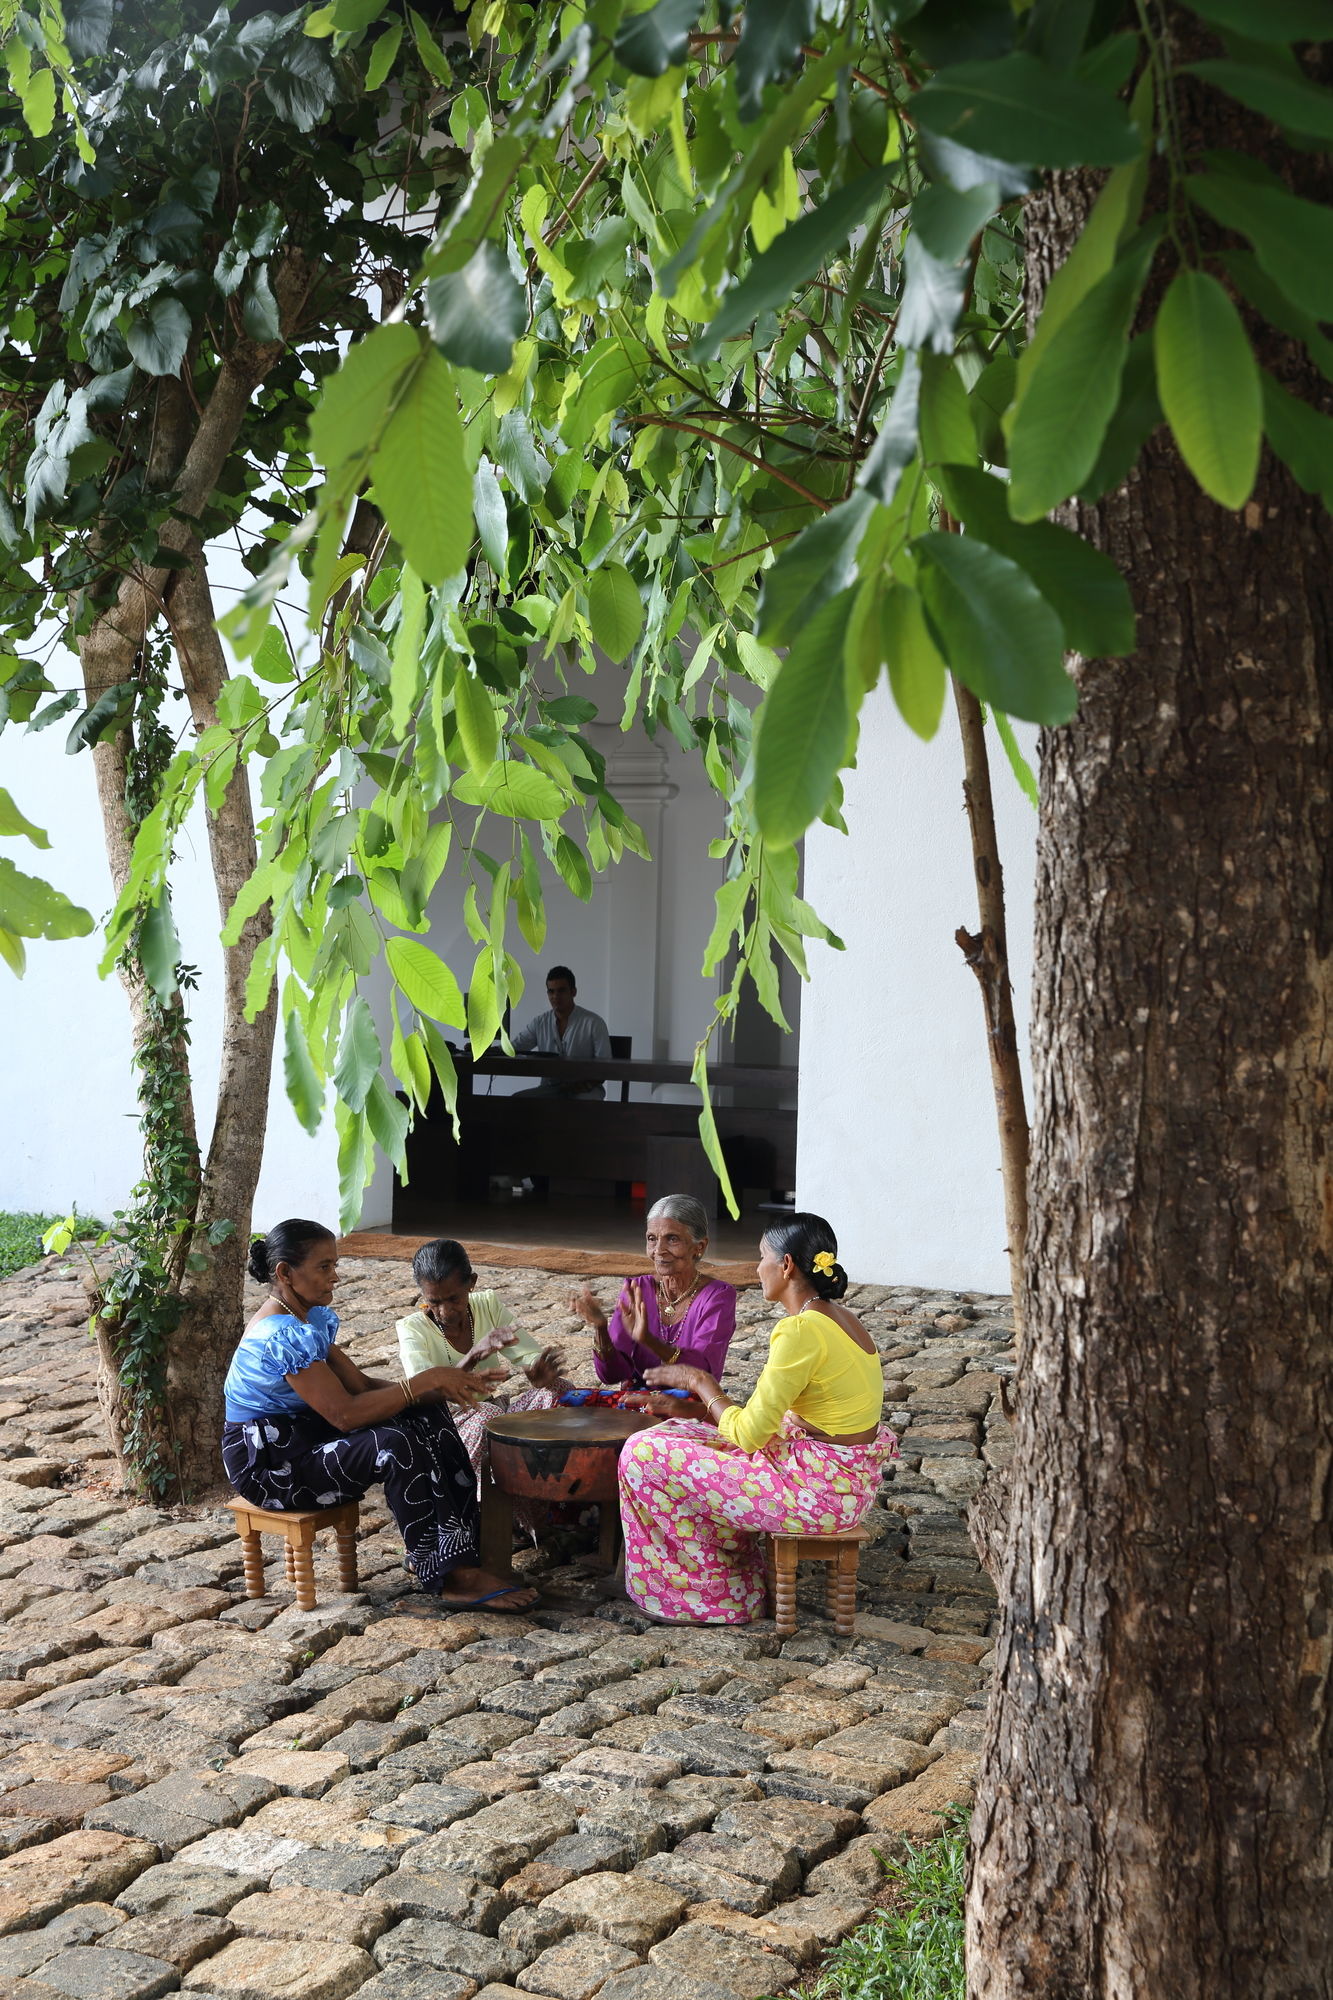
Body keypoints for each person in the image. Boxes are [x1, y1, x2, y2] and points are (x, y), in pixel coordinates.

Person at [222, 1219, 536, 1612]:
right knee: (394, 1443)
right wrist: (422, 1382)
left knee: (427, 1413)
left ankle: (460, 1554)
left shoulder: (306, 1318)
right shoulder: (280, 1334)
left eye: (335, 1265)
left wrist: (438, 1387)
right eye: (324, 1267)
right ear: (285, 1273)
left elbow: (360, 1385)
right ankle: (450, 1576)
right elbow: (345, 1415)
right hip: (271, 1464)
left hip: (306, 1438)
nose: (335, 1277)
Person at [617, 1212, 896, 1624]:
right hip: (840, 1480)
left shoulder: (799, 1331)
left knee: (641, 1452)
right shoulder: (841, 1318)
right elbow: (765, 1419)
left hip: (819, 1492)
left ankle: (709, 1598)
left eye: (762, 1256)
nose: (757, 1267)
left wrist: (700, 1382)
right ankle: (731, 1581)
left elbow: (749, 1435)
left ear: (786, 1265)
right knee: (678, 1432)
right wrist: (692, 1410)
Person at [397, 1237, 569, 1486]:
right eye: (434, 1302)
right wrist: (473, 1357)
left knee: (560, 1390)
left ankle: (550, 1484)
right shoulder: (412, 1329)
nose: (445, 1311)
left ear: (472, 1283)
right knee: (485, 1418)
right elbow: (421, 1392)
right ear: (423, 1294)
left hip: (493, 1417)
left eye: (454, 1299)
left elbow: (528, 1354)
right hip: (445, 1428)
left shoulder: (487, 1305)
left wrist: (535, 1371)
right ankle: (480, 1502)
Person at [569, 1194, 735, 1389]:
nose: (658, 1250)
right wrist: (601, 1330)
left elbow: (701, 1373)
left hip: (689, 1405)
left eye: (672, 1239)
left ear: (699, 1247)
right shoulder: (637, 1290)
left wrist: (648, 1340)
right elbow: (612, 1375)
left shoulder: (717, 1297)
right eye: (652, 1239)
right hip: (637, 1403)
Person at [510, 964, 611, 1097]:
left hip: (586, 1090)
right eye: (551, 991)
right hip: (550, 1088)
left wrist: (582, 1086)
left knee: (573, 1104)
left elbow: (605, 1067)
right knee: (517, 1100)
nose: (555, 996)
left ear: (573, 992)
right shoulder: (540, 1022)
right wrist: (487, 1050)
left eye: (561, 990)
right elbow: (514, 1047)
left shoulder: (594, 1023)